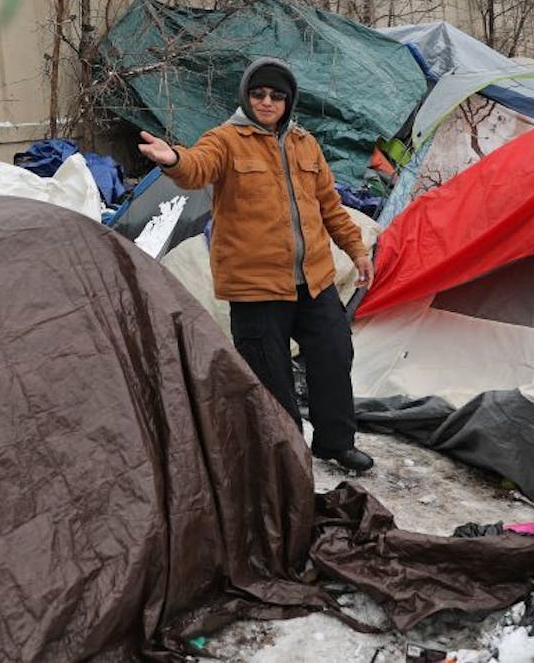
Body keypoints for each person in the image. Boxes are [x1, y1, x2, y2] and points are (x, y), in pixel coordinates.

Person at [138, 57, 375, 471]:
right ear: (247, 97)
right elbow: (198, 167)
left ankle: (335, 442)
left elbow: (331, 207)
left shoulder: (305, 144)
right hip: (255, 287)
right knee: (272, 377)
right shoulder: (225, 140)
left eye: (276, 95)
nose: (267, 101)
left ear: (288, 101)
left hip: (313, 281)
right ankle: (286, 455)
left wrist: (356, 250)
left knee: (334, 355)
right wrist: (173, 160)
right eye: (258, 94)